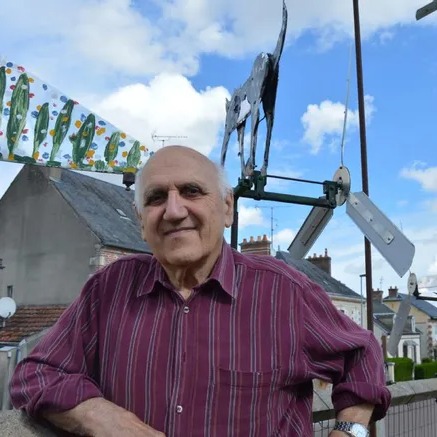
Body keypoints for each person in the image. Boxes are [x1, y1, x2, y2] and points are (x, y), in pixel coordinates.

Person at [10, 145, 391, 436]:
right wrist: (100, 416)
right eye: (156, 198)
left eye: (191, 191)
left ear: (227, 209)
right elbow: (36, 374)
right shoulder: (108, 288)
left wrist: (350, 431)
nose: (174, 210)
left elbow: (361, 354)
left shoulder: (284, 292)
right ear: (141, 221)